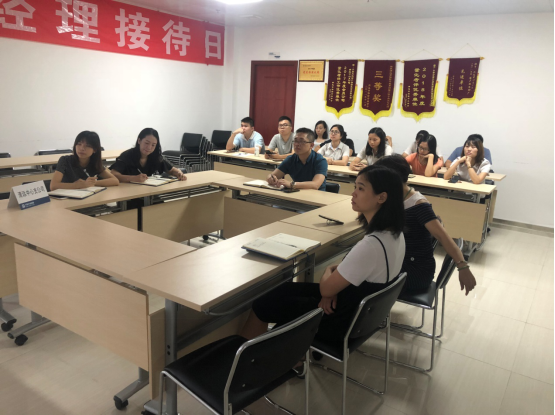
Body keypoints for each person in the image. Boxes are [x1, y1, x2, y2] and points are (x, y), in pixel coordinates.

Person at [241, 165, 406, 341]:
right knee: (281, 291)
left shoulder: (371, 245)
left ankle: (246, 355)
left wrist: (329, 274)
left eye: (361, 189)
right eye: (355, 187)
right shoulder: (395, 234)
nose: (353, 194)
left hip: (339, 319)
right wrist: (331, 289)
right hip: (355, 311)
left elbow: (326, 288)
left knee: (263, 303)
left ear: (381, 197)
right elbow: (346, 274)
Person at [375, 155, 477, 294]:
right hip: (399, 261)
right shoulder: (393, 197)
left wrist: (462, 266)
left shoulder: (418, 205)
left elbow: (442, 237)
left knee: (360, 279)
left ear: (391, 180)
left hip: (414, 271)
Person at [110, 128, 187, 183]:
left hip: (148, 192)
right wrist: (133, 178)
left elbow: (171, 170)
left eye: (153, 145)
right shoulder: (127, 155)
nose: (149, 147)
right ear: (139, 140)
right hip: (128, 192)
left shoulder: (155, 157)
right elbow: (113, 174)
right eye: (147, 143)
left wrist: (179, 173)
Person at [50, 131, 119, 191]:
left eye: (87, 146)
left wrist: (91, 183)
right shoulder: (65, 160)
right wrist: (80, 185)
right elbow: (53, 186)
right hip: (65, 198)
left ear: (95, 150)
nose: (82, 148)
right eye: (79, 144)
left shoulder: (93, 163)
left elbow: (115, 180)